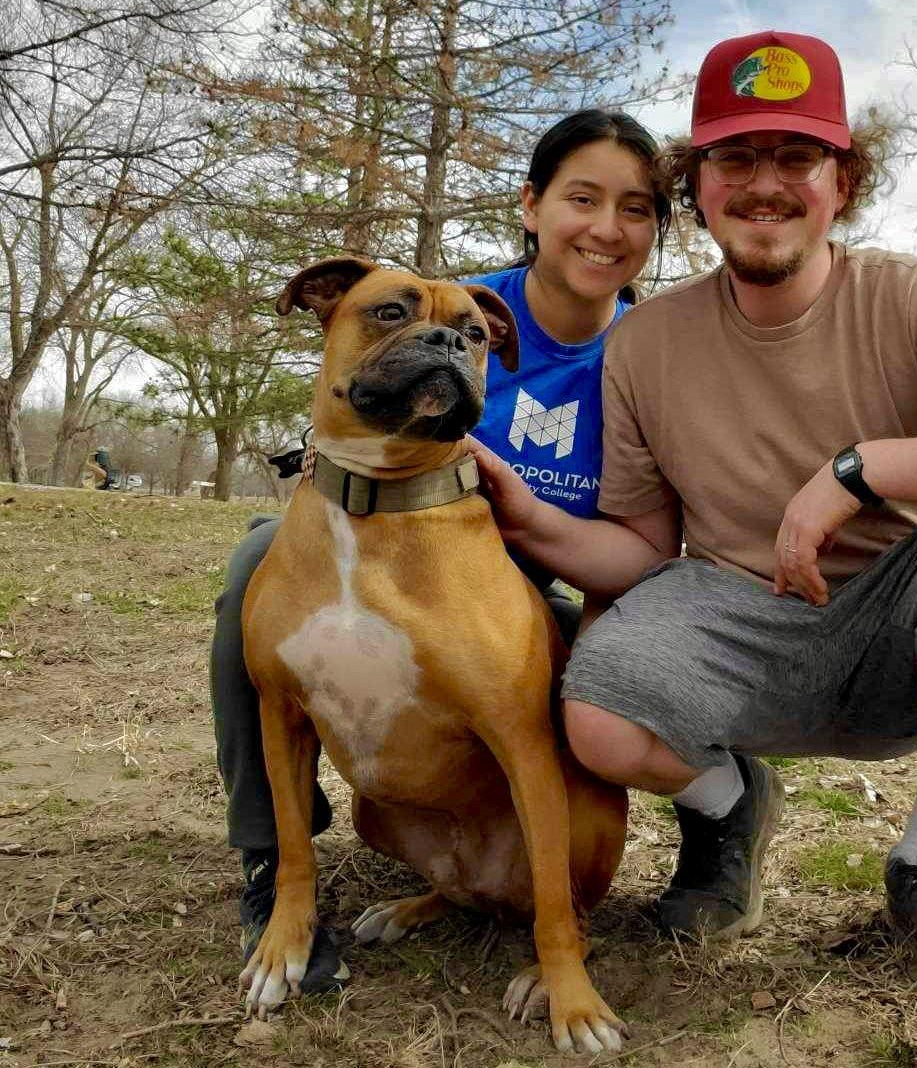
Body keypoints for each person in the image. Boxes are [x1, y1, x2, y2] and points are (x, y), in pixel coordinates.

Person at [473, 31, 917, 1005]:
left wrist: (863, 471)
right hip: (730, 614)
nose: (765, 185)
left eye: (797, 157)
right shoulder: (646, 342)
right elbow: (639, 549)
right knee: (599, 707)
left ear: (844, 181)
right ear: (697, 185)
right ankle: (729, 804)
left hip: (902, 625)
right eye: (734, 158)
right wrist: (525, 516)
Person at [209, 109, 672, 991]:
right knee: (255, 571)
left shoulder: (655, 351)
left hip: (550, 576)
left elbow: (654, 541)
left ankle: (724, 816)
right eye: (581, 198)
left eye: (637, 207)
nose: (606, 227)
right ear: (532, 206)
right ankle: (274, 863)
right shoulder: (463, 299)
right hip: (401, 537)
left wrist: (539, 537)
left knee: (625, 673)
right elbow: (353, 421)